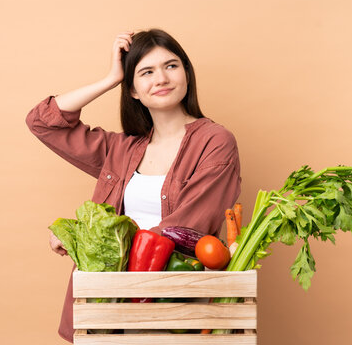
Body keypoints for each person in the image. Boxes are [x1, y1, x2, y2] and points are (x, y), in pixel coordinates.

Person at [26, 28, 241, 342]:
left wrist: (82, 236)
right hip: (108, 304)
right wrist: (110, 79)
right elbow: (42, 122)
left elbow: (186, 227)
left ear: (186, 74)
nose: (162, 78)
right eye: (146, 72)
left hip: (172, 303)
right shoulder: (122, 149)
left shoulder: (215, 142)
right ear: (133, 90)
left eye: (171, 66)